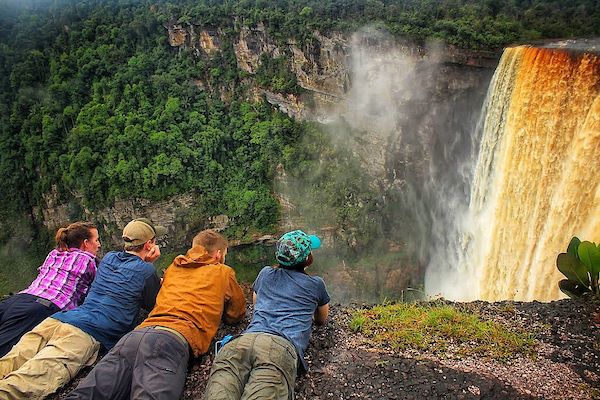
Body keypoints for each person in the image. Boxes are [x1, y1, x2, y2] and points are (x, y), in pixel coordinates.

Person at [65, 229, 247, 400]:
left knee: (85, 394)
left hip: (134, 337)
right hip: (170, 341)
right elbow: (236, 313)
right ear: (218, 254)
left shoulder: (173, 268)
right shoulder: (223, 271)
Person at [0, 218, 164, 400]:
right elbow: (153, 303)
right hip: (85, 332)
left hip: (59, 319)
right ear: (149, 244)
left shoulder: (109, 258)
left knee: (10, 361)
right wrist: (150, 266)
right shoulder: (145, 271)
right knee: (28, 381)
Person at [204, 229, 330, 400]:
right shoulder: (316, 284)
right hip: (278, 348)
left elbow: (256, 303)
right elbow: (321, 319)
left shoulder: (265, 273)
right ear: (307, 259)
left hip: (242, 342)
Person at [0, 221, 100, 357]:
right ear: (86, 243)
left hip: (15, 300)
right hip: (40, 309)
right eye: (96, 240)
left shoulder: (53, 254)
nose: (99, 245)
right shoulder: (89, 260)